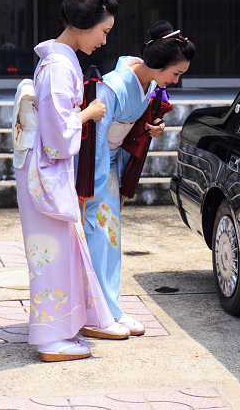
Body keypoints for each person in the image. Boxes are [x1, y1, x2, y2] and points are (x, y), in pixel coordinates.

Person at [16, 0, 130, 362]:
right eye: (103, 31)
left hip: (45, 169)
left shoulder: (60, 63)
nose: (103, 40)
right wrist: (88, 113)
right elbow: (57, 135)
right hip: (46, 170)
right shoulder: (58, 67)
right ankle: (50, 339)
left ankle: (61, 330)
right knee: (51, 254)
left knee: (58, 252)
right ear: (85, 24)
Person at [83, 21, 195, 334]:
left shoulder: (144, 82)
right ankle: (95, 314)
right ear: (159, 65)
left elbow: (137, 117)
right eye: (175, 73)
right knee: (97, 236)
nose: (175, 80)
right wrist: (95, 182)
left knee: (111, 239)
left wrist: (150, 125)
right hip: (98, 163)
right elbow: (99, 131)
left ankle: (110, 308)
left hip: (112, 163)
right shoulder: (116, 84)